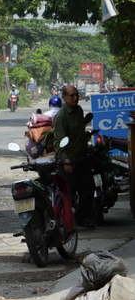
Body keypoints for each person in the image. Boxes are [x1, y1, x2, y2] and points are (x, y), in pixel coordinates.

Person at [52, 85, 96, 229]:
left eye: (76, 94)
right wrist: (65, 160)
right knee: (67, 195)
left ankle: (78, 219)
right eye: (72, 95)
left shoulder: (79, 111)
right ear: (64, 97)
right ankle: (60, 221)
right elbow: (58, 141)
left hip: (82, 160)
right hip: (69, 162)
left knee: (88, 191)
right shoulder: (62, 116)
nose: (75, 97)